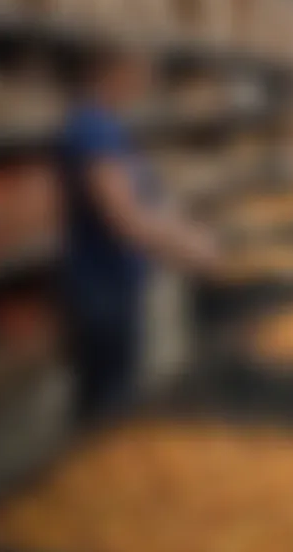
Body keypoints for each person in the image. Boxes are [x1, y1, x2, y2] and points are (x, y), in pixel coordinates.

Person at [57, 45, 228, 426]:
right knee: (106, 406)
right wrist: (189, 250)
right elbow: (124, 217)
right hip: (100, 290)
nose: (148, 84)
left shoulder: (112, 128)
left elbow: (151, 203)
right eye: (143, 73)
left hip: (121, 284)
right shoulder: (91, 129)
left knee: (121, 394)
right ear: (114, 71)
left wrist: (193, 233)